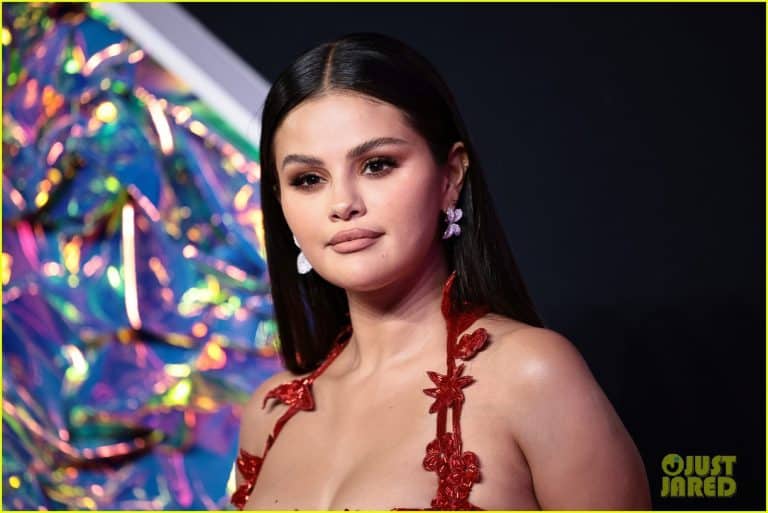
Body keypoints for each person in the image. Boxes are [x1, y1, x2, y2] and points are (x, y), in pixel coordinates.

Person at [232, 32, 651, 510]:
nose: (343, 203)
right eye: (308, 179)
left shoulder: (531, 375)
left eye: (377, 165)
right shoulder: (270, 413)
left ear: (450, 176)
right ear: (281, 202)